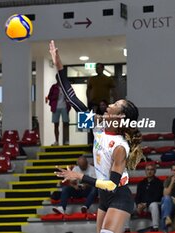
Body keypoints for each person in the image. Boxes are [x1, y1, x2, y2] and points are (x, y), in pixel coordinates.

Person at [49, 40, 143, 233]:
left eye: (115, 104)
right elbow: (71, 97)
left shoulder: (119, 146)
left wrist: (80, 176)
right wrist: (58, 64)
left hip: (119, 195)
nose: (109, 104)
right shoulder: (97, 124)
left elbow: (111, 184)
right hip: (104, 195)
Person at [135, 163, 163, 231]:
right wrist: (138, 204)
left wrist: (146, 204)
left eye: (151, 170)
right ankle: (127, 228)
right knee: (127, 205)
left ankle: (155, 227)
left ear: (155, 171)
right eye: (147, 170)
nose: (149, 171)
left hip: (151, 205)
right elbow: (137, 196)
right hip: (142, 205)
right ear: (145, 171)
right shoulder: (141, 183)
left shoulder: (159, 183)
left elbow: (158, 197)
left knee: (154, 205)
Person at [46, 77, 71, 146]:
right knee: (56, 124)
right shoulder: (54, 87)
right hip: (55, 107)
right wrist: (53, 99)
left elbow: (71, 95)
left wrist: (70, 104)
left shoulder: (66, 87)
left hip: (65, 107)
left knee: (66, 124)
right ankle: (56, 141)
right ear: (57, 79)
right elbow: (49, 96)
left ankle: (66, 141)